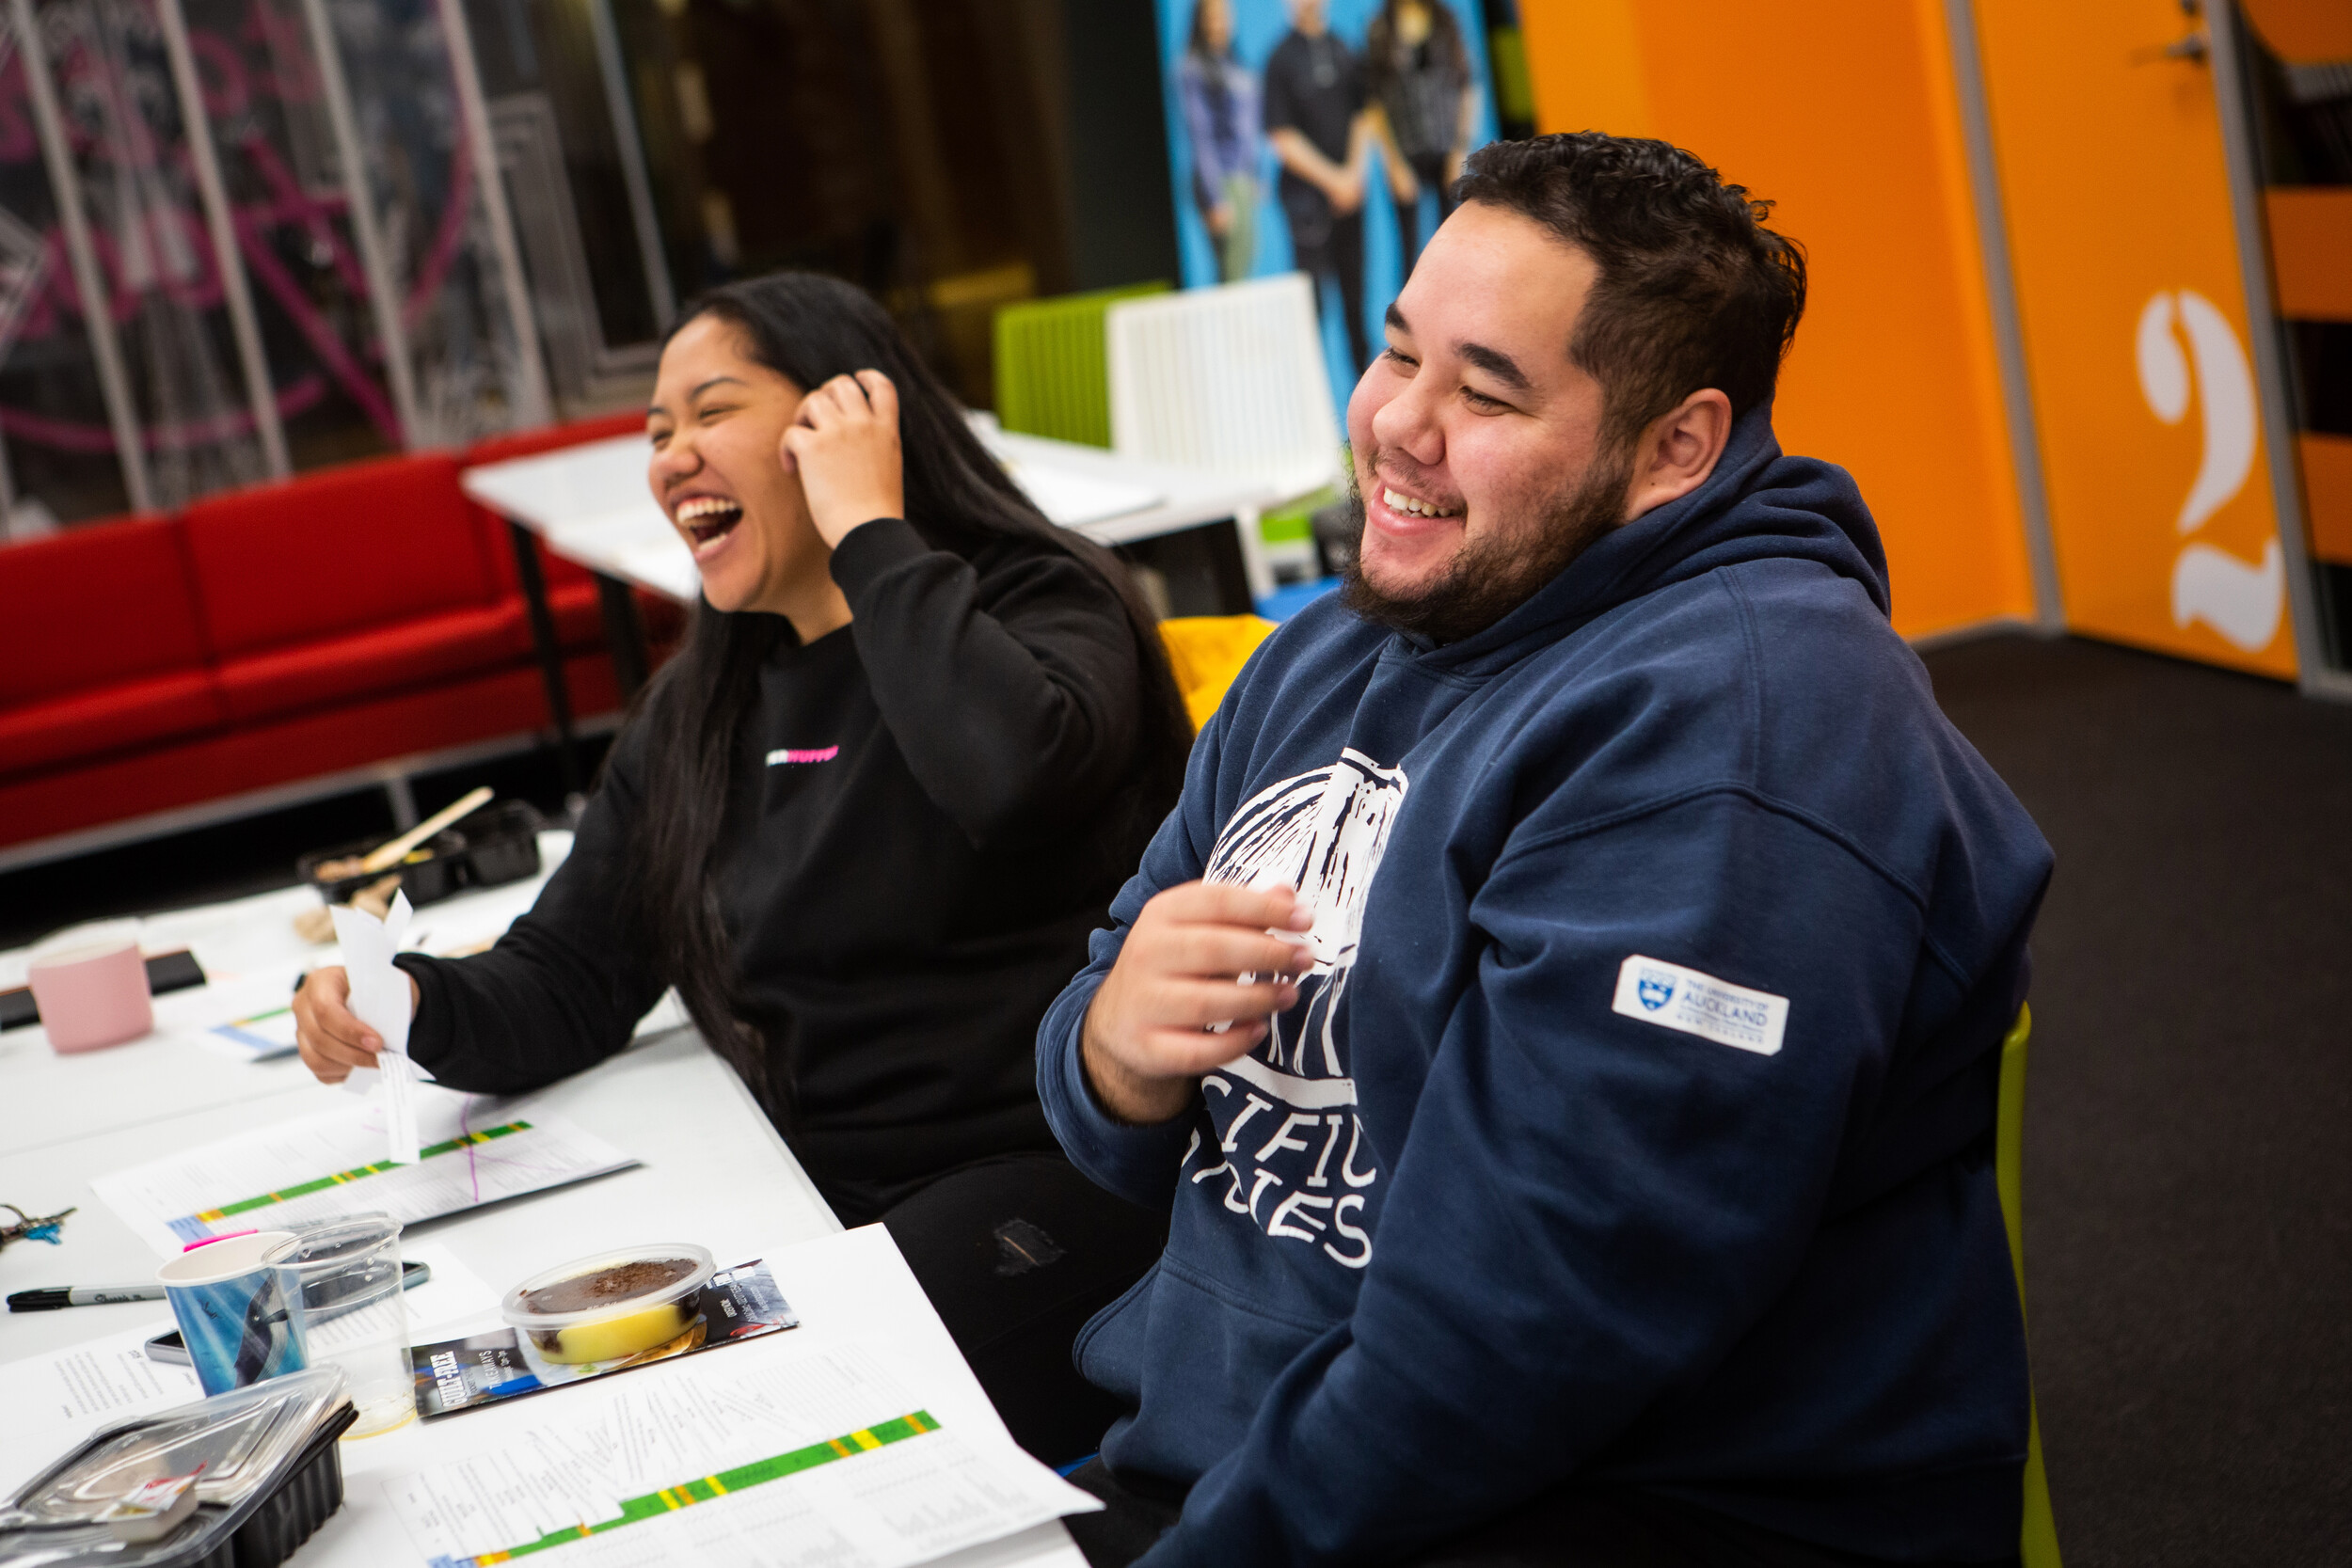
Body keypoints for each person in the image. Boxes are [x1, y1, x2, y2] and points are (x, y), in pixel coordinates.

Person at [1037, 133, 2055, 1566]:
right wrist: (1112, 1059)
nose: (1398, 422)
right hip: (1268, 1467)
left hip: (1597, 1497)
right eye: (1397, 355)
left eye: (1486, 389)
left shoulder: (1748, 735)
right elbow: (1099, 1046)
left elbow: (1521, 1335)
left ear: (1675, 448)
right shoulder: (1333, 647)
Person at [292, 272, 1193, 1465]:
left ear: (845, 421)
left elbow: (1009, 772)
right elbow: (573, 968)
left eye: (711, 411)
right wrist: (402, 1000)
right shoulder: (707, 706)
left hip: (1052, 1180)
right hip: (809, 1199)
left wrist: (871, 528)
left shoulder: (1040, 597)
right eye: (656, 431)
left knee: (774, 1416)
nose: (670, 458)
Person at [1263, 0, 1372, 370]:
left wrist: (1354, 174)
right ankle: (1313, 402)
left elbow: (1364, 114)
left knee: (1357, 302)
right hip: (1307, 206)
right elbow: (1282, 138)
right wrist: (1334, 180)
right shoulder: (1280, 60)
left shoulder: (1344, 49)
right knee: (1312, 308)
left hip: (1351, 201)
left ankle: (1369, 408)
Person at [1367, 0, 1478, 272]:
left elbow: (1467, 86)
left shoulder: (1446, 21)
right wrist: (1392, 162)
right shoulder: (1380, 28)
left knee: (1456, 247)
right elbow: (1374, 103)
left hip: (1446, 148)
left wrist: (1460, 149)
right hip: (1405, 152)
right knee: (1409, 254)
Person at [1177, 0, 1261, 285]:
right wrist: (1214, 196)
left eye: (1224, 16)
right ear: (1200, 21)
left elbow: (1249, 128)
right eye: (1212, 17)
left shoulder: (1237, 63)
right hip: (1221, 179)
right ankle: (1229, 330)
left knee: (1247, 258)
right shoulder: (1193, 68)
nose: (1219, 23)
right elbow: (1201, 136)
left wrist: (1254, 172)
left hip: (1241, 176)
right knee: (1232, 273)